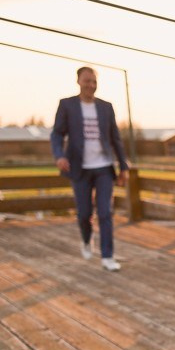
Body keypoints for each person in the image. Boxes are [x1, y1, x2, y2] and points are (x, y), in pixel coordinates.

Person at [50, 66, 130, 272]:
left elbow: (115, 138)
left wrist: (123, 166)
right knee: (84, 213)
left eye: (94, 82)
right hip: (80, 168)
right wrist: (59, 156)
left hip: (104, 167)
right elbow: (57, 134)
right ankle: (86, 239)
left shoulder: (106, 107)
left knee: (105, 212)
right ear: (78, 81)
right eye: (87, 81)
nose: (91, 85)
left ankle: (107, 256)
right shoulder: (67, 105)